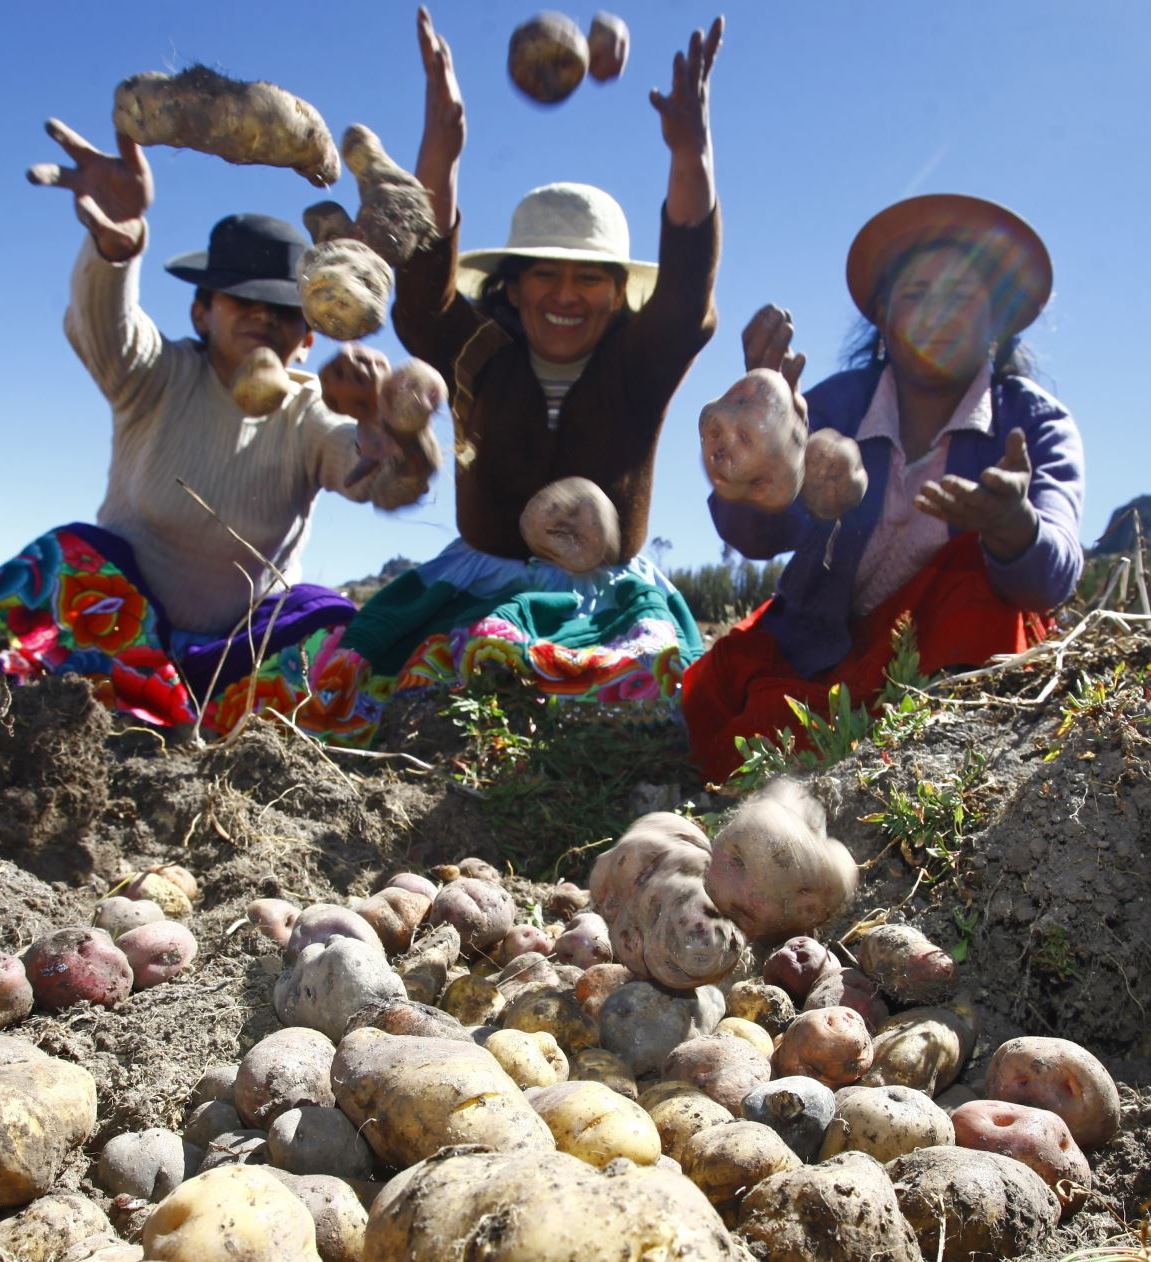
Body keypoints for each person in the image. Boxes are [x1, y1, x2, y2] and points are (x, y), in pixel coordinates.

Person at [271, 8, 724, 745]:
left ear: (617, 297)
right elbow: (422, 297)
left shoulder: (638, 363)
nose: (567, 295)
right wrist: (441, 150)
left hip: (607, 599)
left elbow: (684, 295)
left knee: (640, 708)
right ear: (511, 286)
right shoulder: (477, 351)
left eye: (590, 280)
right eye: (545, 274)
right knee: (418, 694)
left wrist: (690, 153)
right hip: (477, 587)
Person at [0, 121, 434, 728]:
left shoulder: (308, 411)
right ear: (200, 311)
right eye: (239, 299)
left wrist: (388, 423)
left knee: (329, 619)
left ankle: (219, 715)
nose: (262, 318)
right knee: (70, 555)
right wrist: (118, 248)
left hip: (235, 656)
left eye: (283, 310)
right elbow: (101, 323)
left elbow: (373, 476)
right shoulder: (153, 374)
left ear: (308, 338)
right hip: (113, 632)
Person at [683, 194, 1084, 782]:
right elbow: (755, 535)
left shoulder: (1035, 423)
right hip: (822, 650)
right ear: (882, 317)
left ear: (998, 321)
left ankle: (937, 758)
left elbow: (1054, 574)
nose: (935, 317)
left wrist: (1010, 526)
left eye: (959, 299)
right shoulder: (837, 404)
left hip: (948, 658)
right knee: (724, 698)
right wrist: (759, 446)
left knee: (975, 573)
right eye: (916, 297)